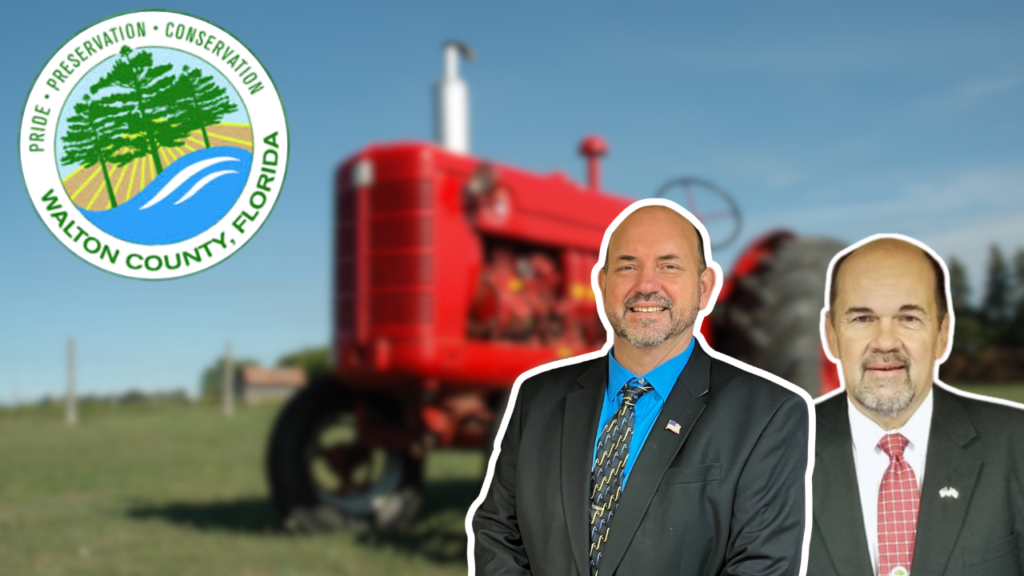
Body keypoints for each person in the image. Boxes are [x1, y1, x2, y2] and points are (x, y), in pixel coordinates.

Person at [470, 200, 812, 576]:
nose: (646, 285)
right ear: (602, 284)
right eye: (627, 266)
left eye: (669, 266)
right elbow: (498, 532)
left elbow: (761, 565)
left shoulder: (769, 415)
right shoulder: (537, 398)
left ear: (705, 287)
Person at [809, 235, 1024, 576]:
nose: (885, 341)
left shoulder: (1017, 445)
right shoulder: (773, 451)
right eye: (862, 319)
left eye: (909, 318)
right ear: (831, 334)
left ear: (942, 334)